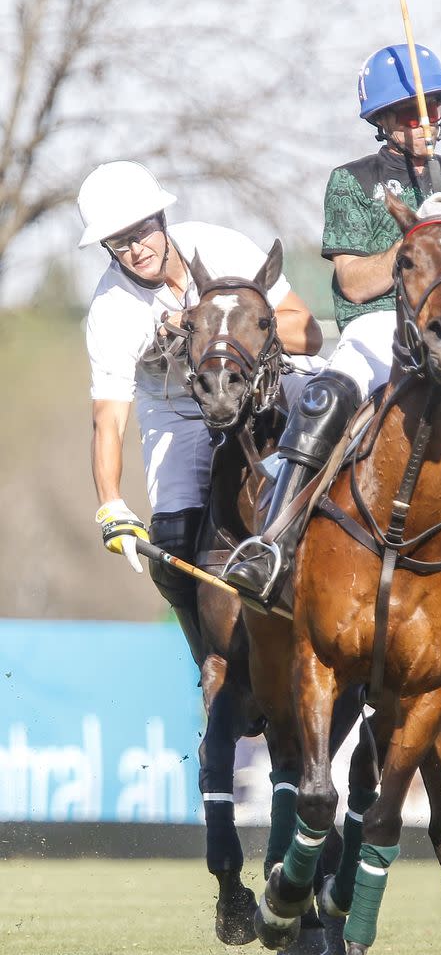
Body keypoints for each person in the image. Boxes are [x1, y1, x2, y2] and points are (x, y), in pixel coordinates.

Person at [226, 44, 441, 657]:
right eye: (407, 111)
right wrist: (412, 239)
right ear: (380, 119)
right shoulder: (351, 182)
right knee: (324, 398)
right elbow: (353, 281)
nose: (423, 120)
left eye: (431, 107)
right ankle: (272, 545)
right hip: (378, 329)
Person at [78, 160, 324, 666]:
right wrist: (112, 504)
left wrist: (228, 328)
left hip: (263, 384)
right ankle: (217, 665)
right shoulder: (112, 310)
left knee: (344, 425)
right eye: (119, 241)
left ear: (161, 220)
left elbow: (308, 330)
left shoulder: (220, 246)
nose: (136, 248)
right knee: (171, 544)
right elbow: (110, 416)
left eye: (142, 230)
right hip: (178, 411)